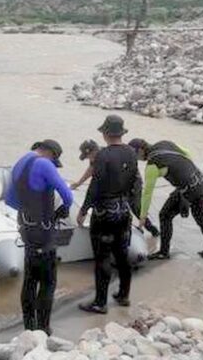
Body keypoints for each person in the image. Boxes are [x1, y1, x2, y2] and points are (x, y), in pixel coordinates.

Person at [6, 139, 73, 335]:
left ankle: (28, 326)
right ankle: (43, 328)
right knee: (48, 281)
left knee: (29, 280)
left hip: (26, 230)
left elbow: (10, 200)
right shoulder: (44, 164)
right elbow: (67, 196)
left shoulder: (20, 162)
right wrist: (61, 210)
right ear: (51, 154)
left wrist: (29, 213)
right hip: (44, 233)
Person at [76, 115, 139, 314]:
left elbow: (95, 186)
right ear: (121, 132)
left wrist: (84, 209)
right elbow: (134, 182)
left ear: (104, 134)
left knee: (102, 256)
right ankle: (123, 295)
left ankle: (100, 302)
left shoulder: (103, 155)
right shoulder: (131, 152)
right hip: (123, 210)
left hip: (104, 213)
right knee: (122, 254)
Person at [128, 138, 203, 260]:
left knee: (164, 215)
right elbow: (187, 153)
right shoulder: (165, 143)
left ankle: (163, 252)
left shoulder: (152, 165)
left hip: (188, 190)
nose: (137, 160)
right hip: (200, 181)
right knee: (201, 217)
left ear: (140, 151)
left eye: (135, 156)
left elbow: (147, 194)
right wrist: (185, 176)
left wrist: (142, 218)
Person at [73, 139, 160, 237]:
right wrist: (78, 183)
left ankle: (152, 229)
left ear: (94, 151)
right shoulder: (97, 156)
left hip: (133, 182)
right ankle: (126, 228)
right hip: (119, 182)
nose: (89, 159)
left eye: (88, 156)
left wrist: (83, 211)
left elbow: (94, 187)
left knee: (135, 207)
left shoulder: (104, 157)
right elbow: (91, 169)